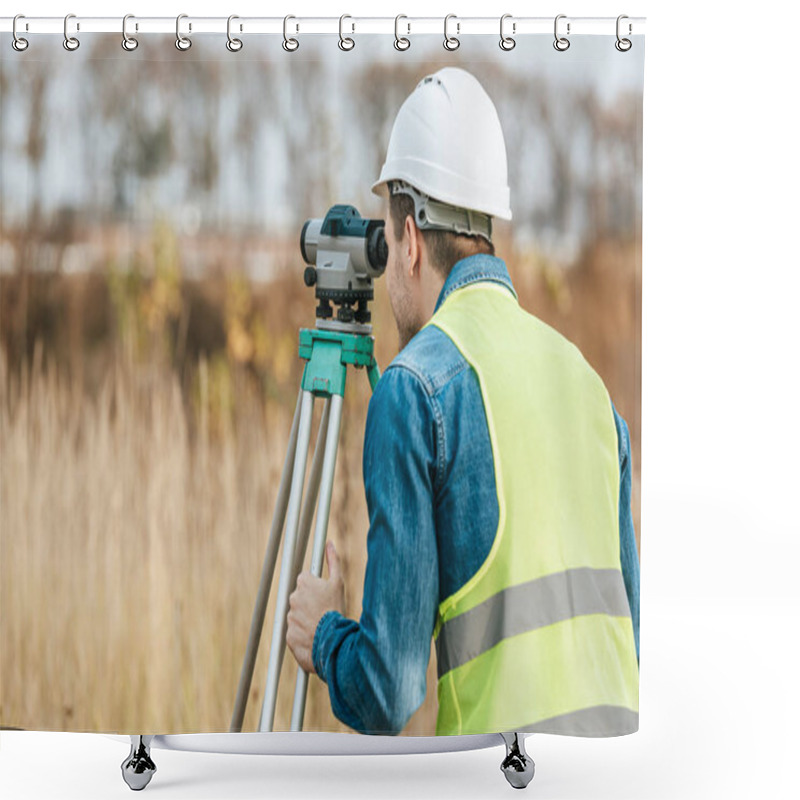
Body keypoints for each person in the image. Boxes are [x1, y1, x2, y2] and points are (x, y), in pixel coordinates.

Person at [286, 67, 640, 737]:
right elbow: (632, 641)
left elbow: (389, 693)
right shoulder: (588, 385)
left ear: (410, 239)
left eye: (389, 245)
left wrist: (324, 634)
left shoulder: (416, 388)